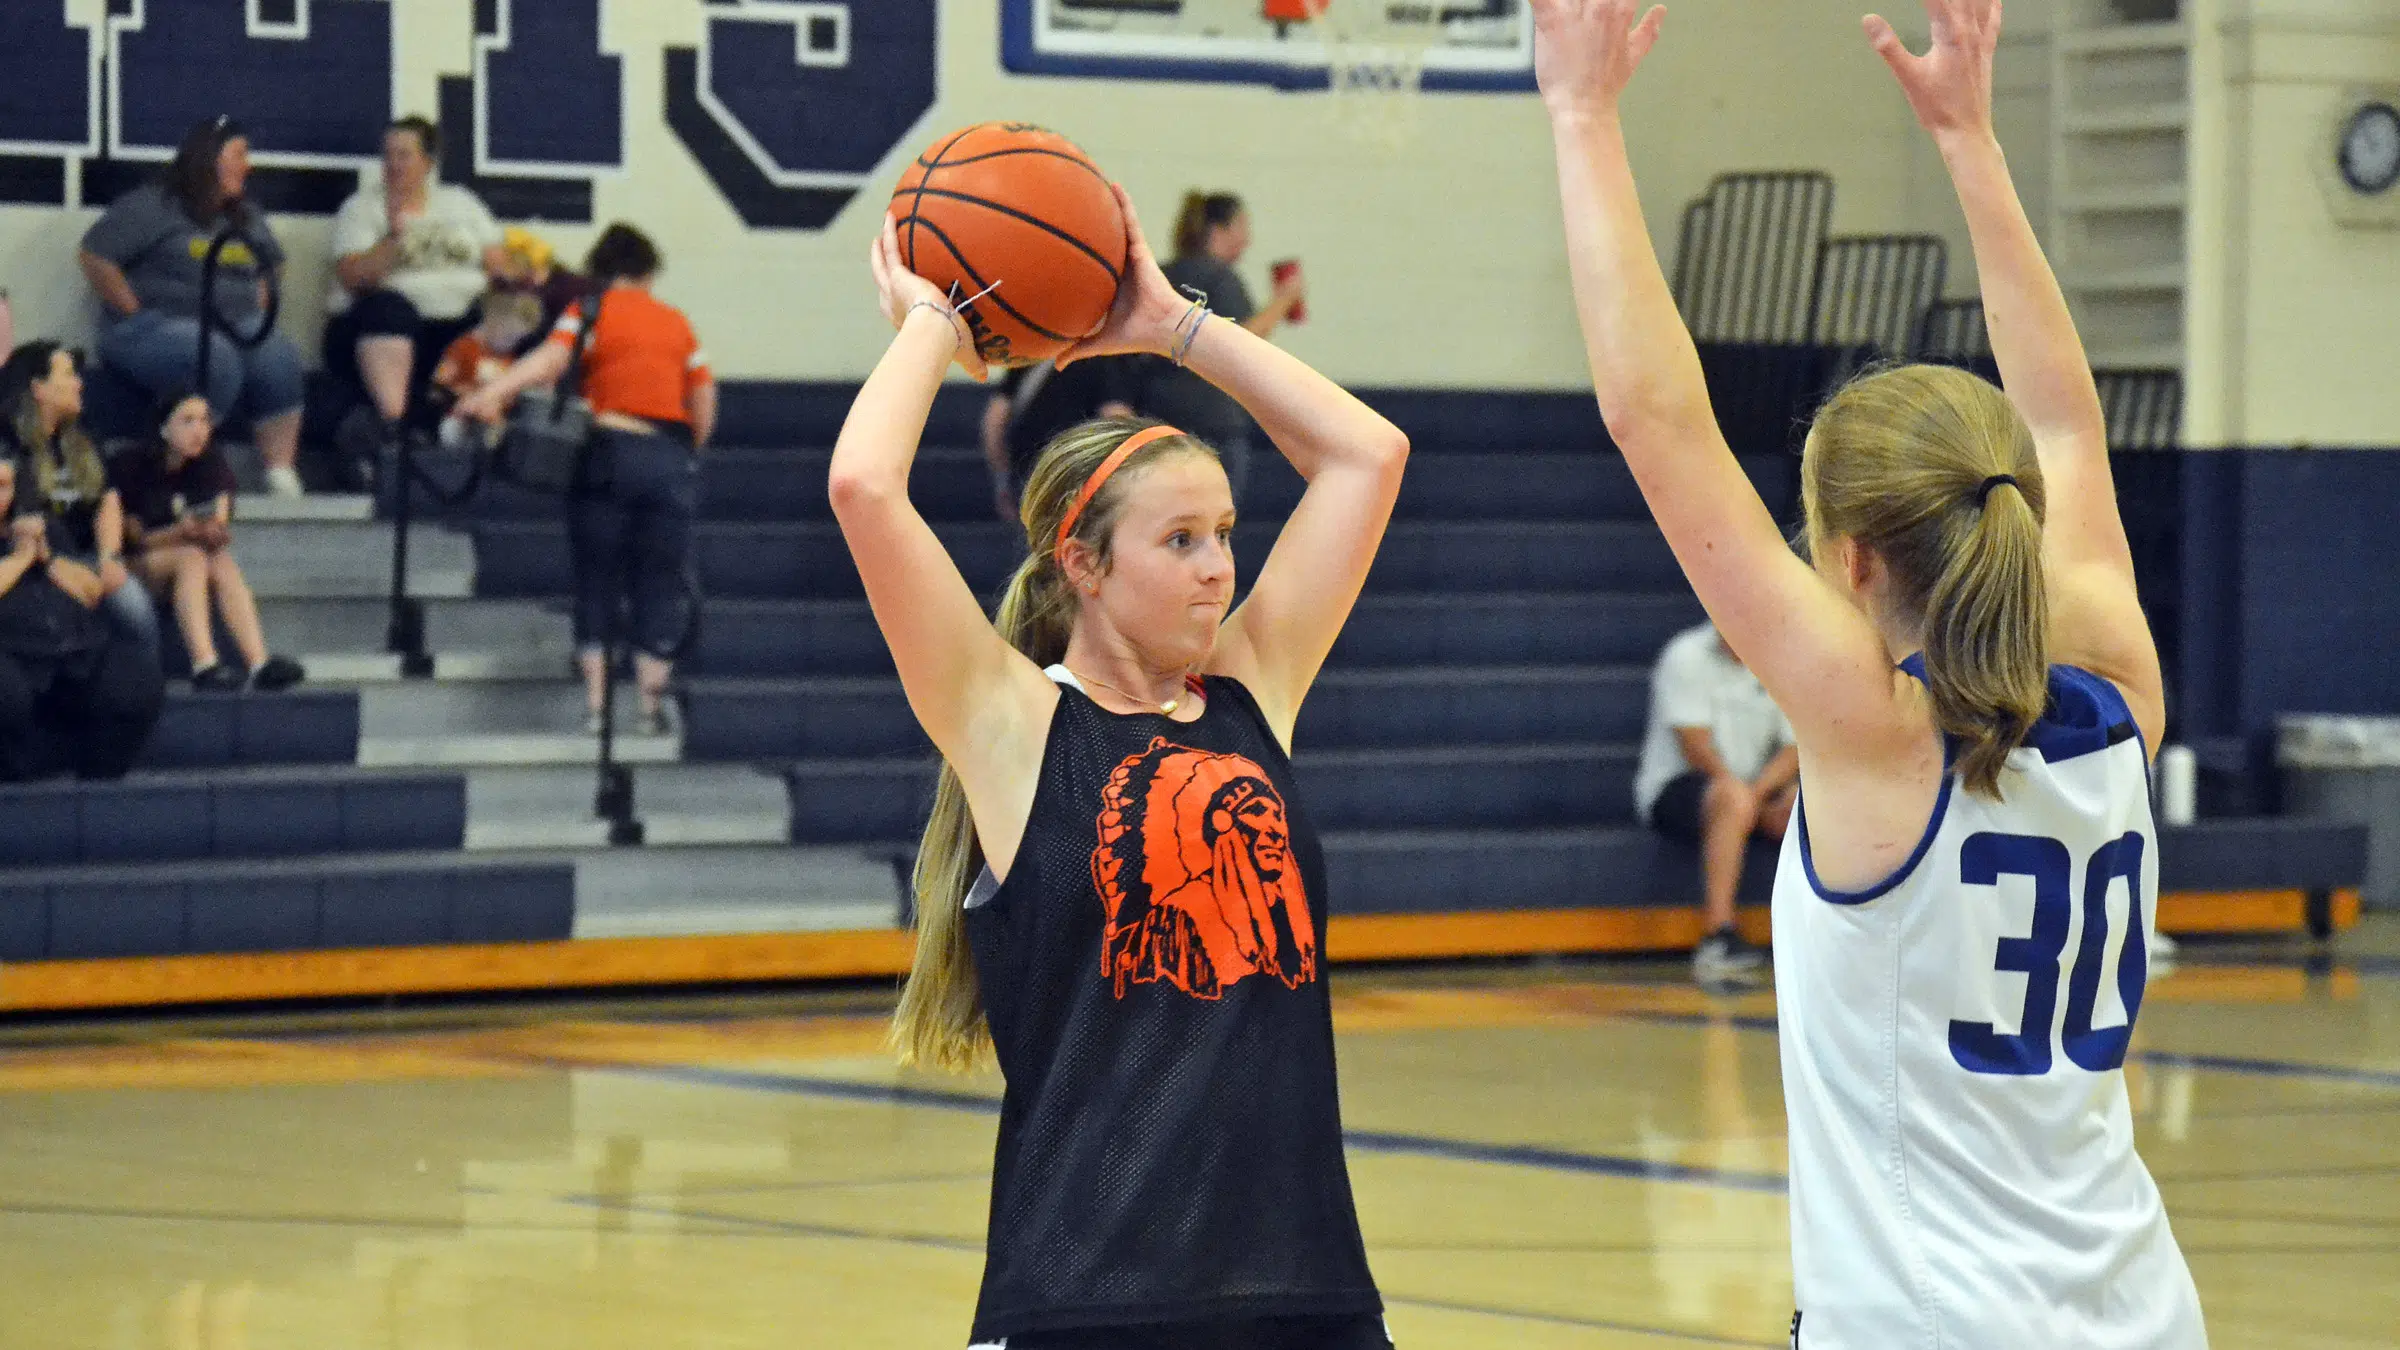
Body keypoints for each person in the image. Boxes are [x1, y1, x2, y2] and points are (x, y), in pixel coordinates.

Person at [1534, 1, 2204, 1346]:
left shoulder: (1871, 737)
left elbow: (1651, 416)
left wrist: (1581, 116)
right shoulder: (2121, 683)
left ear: (1846, 561)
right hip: (2143, 1308)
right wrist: (1968, 140)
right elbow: (2067, 417)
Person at [834, 181, 1407, 1349]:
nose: (1218, 570)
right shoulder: (1011, 726)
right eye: (1181, 540)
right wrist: (939, 321)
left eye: (1228, 536)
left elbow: (1368, 456)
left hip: (1305, 1290)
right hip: (1088, 1297)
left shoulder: (1252, 691)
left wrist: (1172, 324)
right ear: (1084, 567)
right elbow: (863, 488)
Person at [457, 224, 714, 736]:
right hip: (667, 459)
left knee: (596, 578)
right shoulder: (678, 323)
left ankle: (596, 708)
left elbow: (551, 361)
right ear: (647, 273)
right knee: (659, 583)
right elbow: (704, 395)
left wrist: (492, 395)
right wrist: (691, 449)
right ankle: (647, 707)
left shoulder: (589, 311)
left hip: (607, 454)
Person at [78, 116, 308, 497]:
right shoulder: (154, 204)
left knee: (277, 355)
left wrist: (257, 311)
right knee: (215, 358)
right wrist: (134, 311)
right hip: (148, 328)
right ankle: (192, 469)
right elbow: (95, 255)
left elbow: (273, 263)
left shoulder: (245, 216)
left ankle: (281, 473)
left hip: (229, 325)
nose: (248, 165)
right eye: (239, 154)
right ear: (209, 157)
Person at [325, 117, 509, 459]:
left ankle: (479, 433)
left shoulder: (461, 204)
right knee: (388, 308)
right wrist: (394, 238)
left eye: (404, 155)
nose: (394, 164)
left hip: (454, 324)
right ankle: (394, 427)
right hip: (381, 326)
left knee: (505, 320)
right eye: (388, 155)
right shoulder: (361, 209)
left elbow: (498, 265)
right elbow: (354, 278)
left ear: (428, 161)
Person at [110, 389, 305, 691]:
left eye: (204, 421)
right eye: (187, 421)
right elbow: (128, 537)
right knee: (191, 555)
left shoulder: (211, 464)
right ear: (163, 428)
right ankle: (204, 663)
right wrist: (178, 533)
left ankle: (258, 663)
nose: (199, 430)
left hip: (189, 560)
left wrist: (212, 531)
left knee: (219, 560)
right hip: (132, 563)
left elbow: (218, 519)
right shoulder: (131, 465)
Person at [1632, 621, 1795, 983]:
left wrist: (1759, 794)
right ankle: (1718, 935)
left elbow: (1794, 747)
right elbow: (1694, 744)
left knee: (1809, 806)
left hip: (1755, 786)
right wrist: (1745, 799)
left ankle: (1825, 934)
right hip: (1681, 788)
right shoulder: (1685, 656)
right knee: (1730, 798)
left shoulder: (1781, 659)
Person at [0, 455, 166, 782]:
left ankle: (99, 777)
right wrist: (20, 560)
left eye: (4, 485)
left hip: (74, 650)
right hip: (12, 654)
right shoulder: (20, 549)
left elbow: (91, 589)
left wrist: (46, 558)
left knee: (135, 678)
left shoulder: (39, 529)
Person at [1137, 191, 1307, 504]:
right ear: (1219, 231)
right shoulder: (1219, 278)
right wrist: (1285, 298)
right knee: (1211, 525)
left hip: (1154, 418)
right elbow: (1241, 342)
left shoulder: (1164, 274)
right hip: (1211, 424)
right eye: (1242, 227)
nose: (1248, 240)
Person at [0, 342, 156, 660]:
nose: (79, 384)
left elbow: (107, 501)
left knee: (131, 600)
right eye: (69, 375)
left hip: (85, 556)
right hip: (33, 559)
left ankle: (145, 685)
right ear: (38, 388)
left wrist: (110, 557)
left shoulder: (82, 440)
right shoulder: (10, 443)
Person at [978, 355, 1137, 520]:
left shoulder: (1032, 351)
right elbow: (1117, 420)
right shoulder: (1106, 357)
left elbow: (995, 418)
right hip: (1078, 476)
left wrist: (1002, 478)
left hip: (1028, 472)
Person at [430, 289, 544, 448]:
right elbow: (439, 386)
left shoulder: (508, 356)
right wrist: (471, 396)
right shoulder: (464, 348)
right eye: (508, 337)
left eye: (518, 340)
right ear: (491, 323)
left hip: (496, 422)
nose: (511, 344)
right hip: (461, 417)